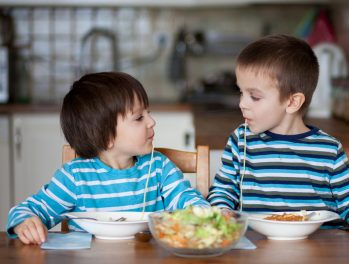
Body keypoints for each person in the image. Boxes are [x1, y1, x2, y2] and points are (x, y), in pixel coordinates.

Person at [207, 34, 349, 238]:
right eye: (241, 92)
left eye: (254, 97)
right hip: (256, 249)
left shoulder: (328, 150)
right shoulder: (241, 141)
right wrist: (221, 211)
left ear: (292, 102)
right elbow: (222, 191)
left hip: (321, 252)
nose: (242, 103)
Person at [7, 72, 209, 244]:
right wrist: (25, 222)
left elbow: (186, 199)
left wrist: (203, 214)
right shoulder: (75, 177)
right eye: (139, 118)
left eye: (149, 113)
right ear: (106, 136)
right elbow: (29, 210)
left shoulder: (158, 167)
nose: (152, 122)